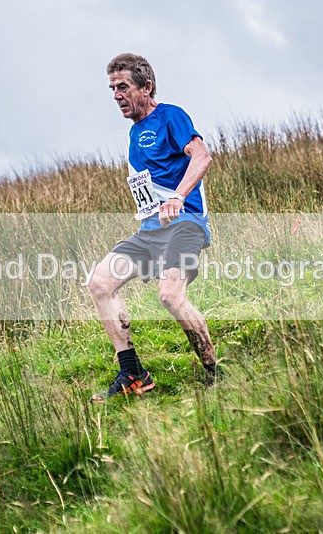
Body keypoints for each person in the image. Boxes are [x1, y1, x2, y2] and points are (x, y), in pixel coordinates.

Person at [87, 53, 219, 402]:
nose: (117, 94)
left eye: (124, 87)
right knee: (100, 282)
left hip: (184, 225)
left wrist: (177, 197)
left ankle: (214, 373)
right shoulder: (134, 133)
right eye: (113, 88)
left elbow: (202, 156)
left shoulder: (170, 116)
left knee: (170, 297)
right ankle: (132, 373)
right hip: (149, 232)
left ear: (146, 87)